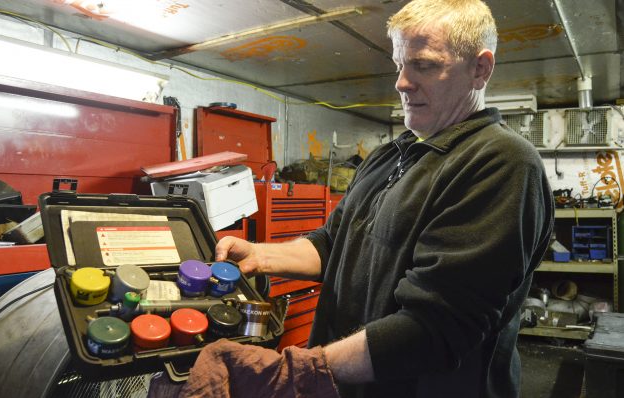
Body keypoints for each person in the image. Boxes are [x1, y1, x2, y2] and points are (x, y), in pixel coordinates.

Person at [168, 0, 554, 397]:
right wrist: (259, 255)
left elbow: (436, 326)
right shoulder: (390, 155)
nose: (402, 82)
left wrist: (302, 370)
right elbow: (333, 244)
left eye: (423, 65)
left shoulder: (501, 162)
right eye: (399, 65)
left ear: (480, 69)